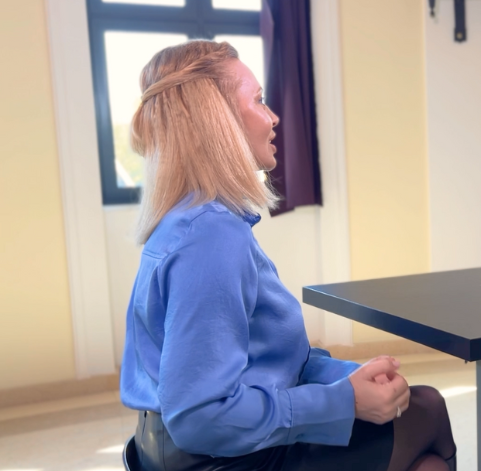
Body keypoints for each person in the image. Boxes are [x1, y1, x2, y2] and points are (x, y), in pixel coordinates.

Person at [119, 40, 456, 471]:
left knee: (424, 454)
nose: (274, 117)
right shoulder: (211, 236)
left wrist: (348, 381)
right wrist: (344, 402)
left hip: (170, 449)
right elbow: (200, 418)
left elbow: (271, 361)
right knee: (427, 409)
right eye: (259, 100)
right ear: (218, 121)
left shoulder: (188, 220)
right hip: (219, 459)